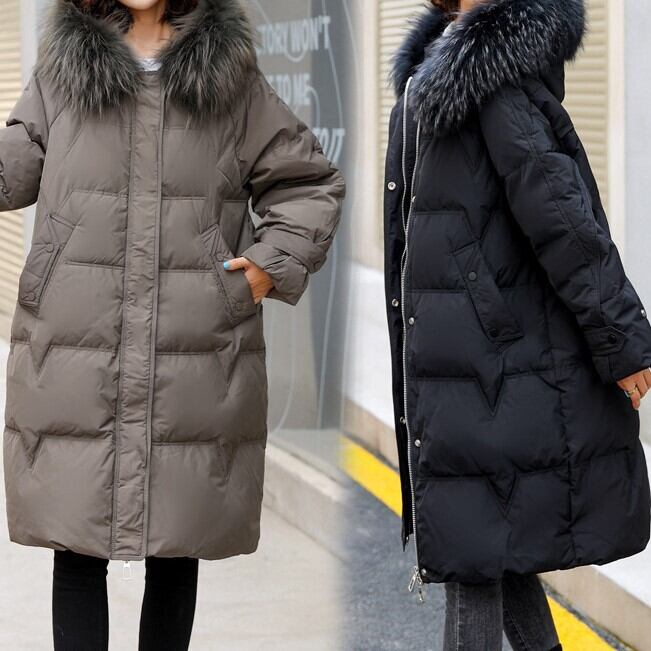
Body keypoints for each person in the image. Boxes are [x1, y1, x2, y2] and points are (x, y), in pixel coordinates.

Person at [0, 0, 345, 649]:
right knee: (75, 546)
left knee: (175, 543)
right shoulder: (64, 69)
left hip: (192, 342)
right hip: (76, 339)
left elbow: (307, 183)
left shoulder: (228, 75)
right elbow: (16, 165)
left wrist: (266, 267)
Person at [384, 0, 651, 649]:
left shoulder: (490, 77)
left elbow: (562, 218)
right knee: (491, 549)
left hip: (489, 364)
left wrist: (620, 336)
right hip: (458, 355)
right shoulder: (436, 66)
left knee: (473, 556)